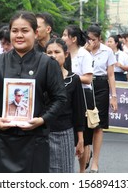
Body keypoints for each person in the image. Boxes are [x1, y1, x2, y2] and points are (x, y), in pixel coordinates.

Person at [0, 11, 67, 173]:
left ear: (35, 33)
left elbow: (60, 99)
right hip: (2, 140)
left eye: (25, 31)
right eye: (15, 31)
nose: (19, 35)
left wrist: (42, 119)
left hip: (35, 140)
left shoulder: (47, 63)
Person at [45, 38, 85, 173]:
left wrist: (80, 139)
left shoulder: (74, 79)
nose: (53, 56)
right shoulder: (38, 78)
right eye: (49, 52)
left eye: (57, 52)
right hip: (42, 133)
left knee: (65, 171)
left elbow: (79, 111)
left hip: (65, 133)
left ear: (66, 54)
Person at [85, 25, 118, 173]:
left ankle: (95, 162)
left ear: (100, 39)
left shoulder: (107, 51)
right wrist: (85, 51)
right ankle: (86, 152)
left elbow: (111, 75)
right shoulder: (82, 51)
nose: (91, 42)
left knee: (98, 124)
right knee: (84, 122)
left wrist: (114, 96)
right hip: (84, 85)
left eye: (94, 39)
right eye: (89, 39)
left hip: (100, 86)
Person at [61, 24, 93, 173]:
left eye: (64, 35)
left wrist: (72, 78)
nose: (62, 38)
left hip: (83, 95)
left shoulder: (84, 54)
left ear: (73, 39)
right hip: (67, 93)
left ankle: (81, 172)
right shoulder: (63, 53)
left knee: (83, 136)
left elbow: (88, 78)